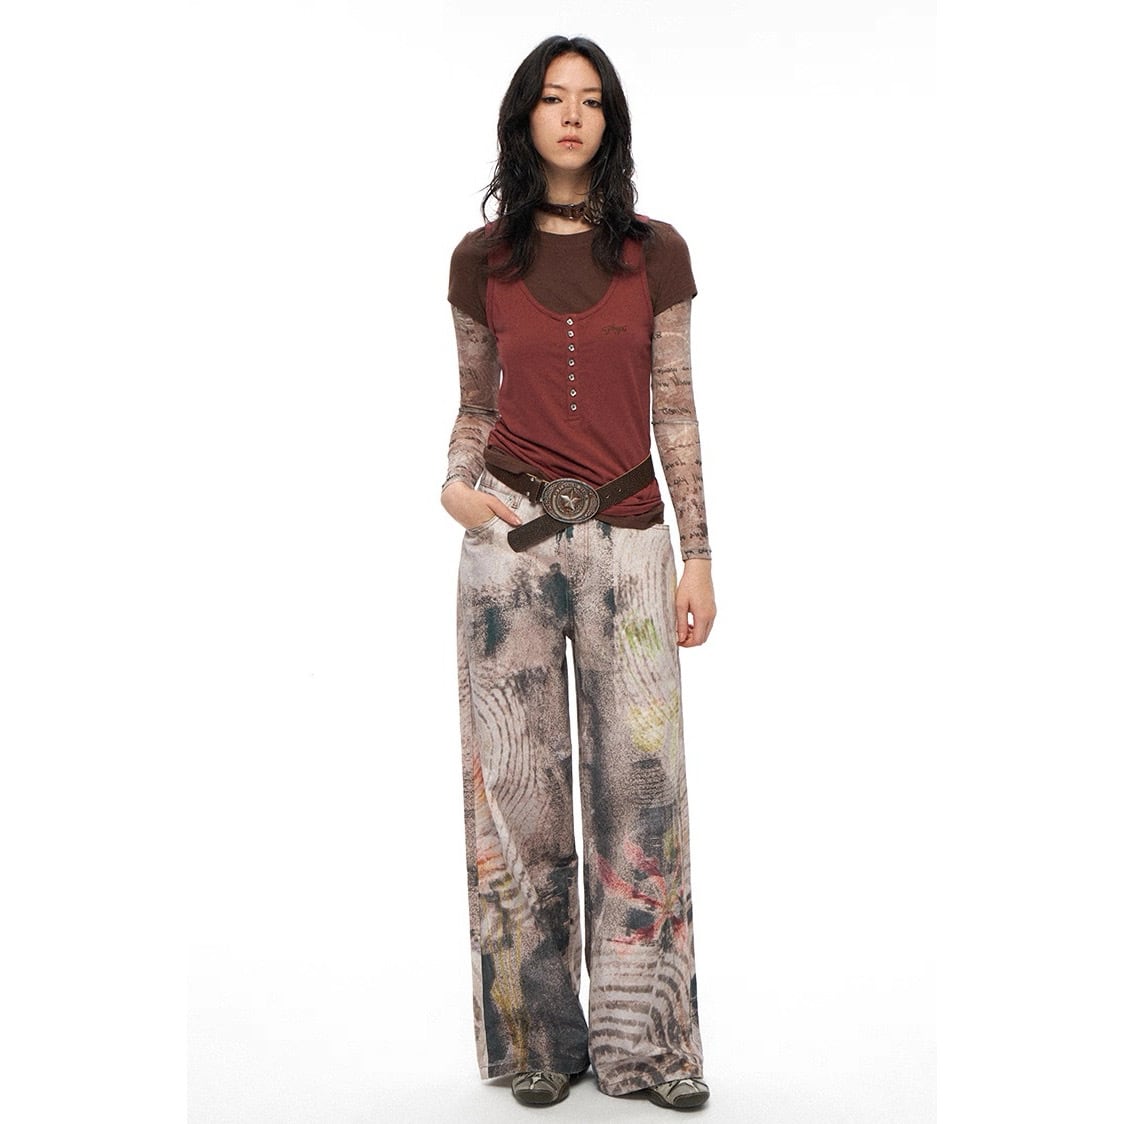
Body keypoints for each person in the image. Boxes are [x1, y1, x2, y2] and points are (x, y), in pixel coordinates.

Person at [441, 35, 716, 1111]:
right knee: (519, 802)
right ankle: (539, 1044)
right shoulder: (480, 259)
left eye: (590, 100)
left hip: (633, 546)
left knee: (644, 797)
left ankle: (649, 1048)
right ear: (526, 117)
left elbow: (675, 410)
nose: (570, 115)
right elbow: (474, 403)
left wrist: (699, 554)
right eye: (553, 98)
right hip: (509, 549)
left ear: (610, 122)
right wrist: (455, 484)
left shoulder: (657, 253)